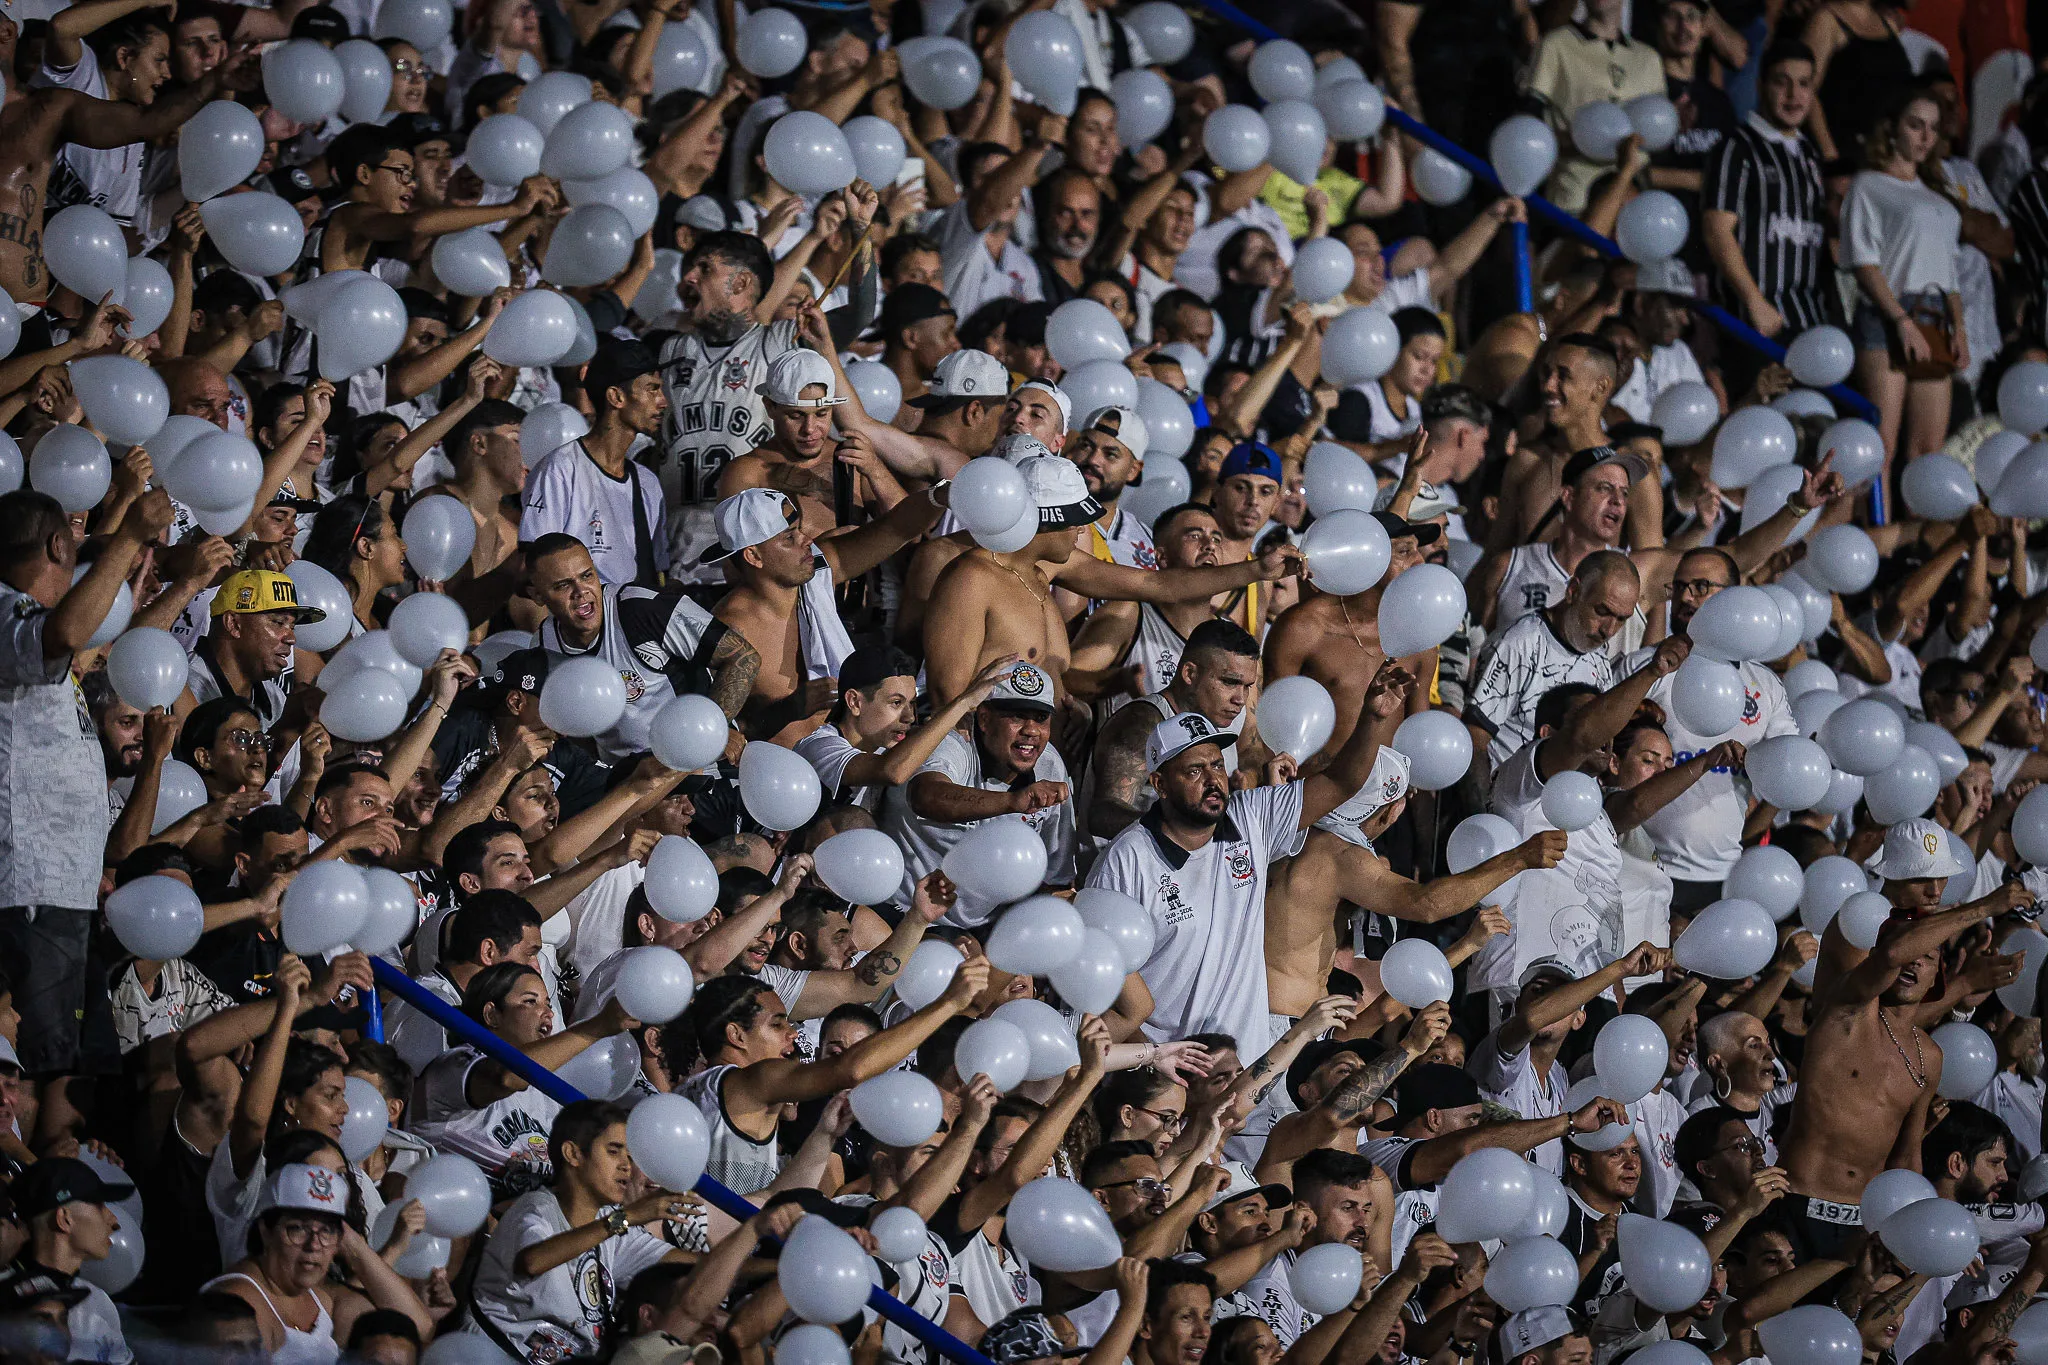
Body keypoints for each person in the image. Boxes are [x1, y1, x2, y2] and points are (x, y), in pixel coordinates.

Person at [0, 485, 169, 1075]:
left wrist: (124, 554)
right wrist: (126, 536)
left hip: (58, 890)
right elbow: (63, 635)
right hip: (29, 888)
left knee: (70, 1075)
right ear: (53, 543)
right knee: (45, 1073)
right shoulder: (6, 610)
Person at [466, 1101, 694, 1360]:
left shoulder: (608, 1223)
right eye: (614, 1152)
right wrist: (626, 1218)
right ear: (573, 1154)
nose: (626, 1166)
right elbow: (532, 1261)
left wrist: (749, 1235)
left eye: (630, 1157)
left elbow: (695, 1265)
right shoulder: (535, 1209)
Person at [881, 661, 1078, 926]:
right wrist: (1011, 802)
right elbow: (925, 795)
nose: (1031, 730)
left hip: (987, 928)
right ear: (984, 718)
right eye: (1017, 716)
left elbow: (1056, 879)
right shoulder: (951, 742)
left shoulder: (1050, 766)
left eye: (1041, 718)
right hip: (904, 917)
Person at [1843, 88, 1965, 469]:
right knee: (1881, 448)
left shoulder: (1940, 198)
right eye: (1915, 125)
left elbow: (1950, 276)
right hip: (1888, 315)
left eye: (1932, 128)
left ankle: (1920, 527)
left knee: (1929, 448)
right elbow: (1864, 263)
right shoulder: (1869, 184)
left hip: (1934, 316)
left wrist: (1958, 328)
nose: (1925, 136)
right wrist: (1900, 319)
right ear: (1892, 129)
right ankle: (1875, 527)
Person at [202, 1163, 433, 1360]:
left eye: (327, 1231)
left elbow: (415, 1329)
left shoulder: (320, 1300)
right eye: (298, 1229)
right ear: (266, 1231)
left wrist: (357, 1251)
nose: (313, 1245)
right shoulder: (236, 1301)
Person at [1703, 44, 1836, 350]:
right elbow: (1716, 230)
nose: (1794, 95)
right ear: (1761, 85)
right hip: (1758, 324)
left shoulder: (1810, 153)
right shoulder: (1738, 147)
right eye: (1782, 82)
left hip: (1811, 322)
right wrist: (1754, 301)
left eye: (1804, 84)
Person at [520, 340, 671, 590]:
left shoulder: (647, 482)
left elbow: (656, 573)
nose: (663, 401)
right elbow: (534, 568)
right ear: (616, 397)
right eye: (652, 389)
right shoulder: (560, 469)